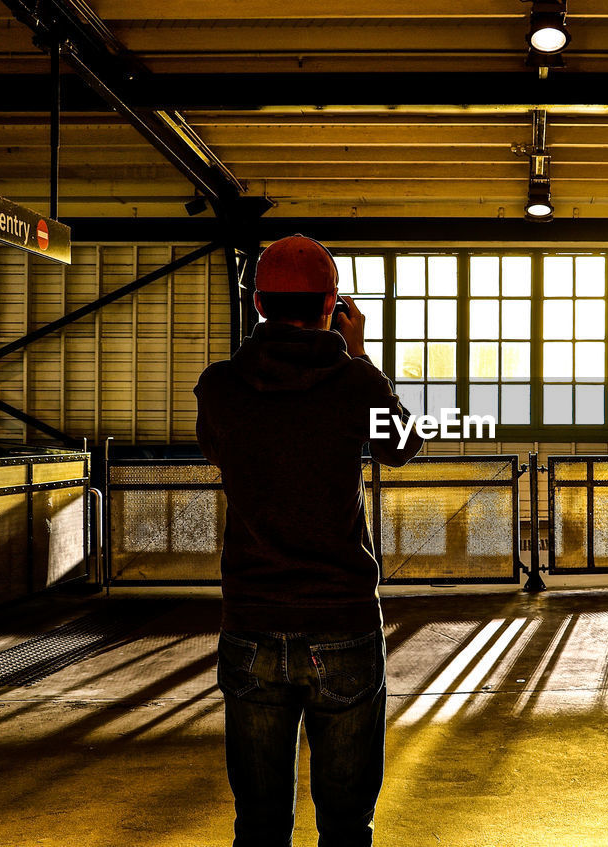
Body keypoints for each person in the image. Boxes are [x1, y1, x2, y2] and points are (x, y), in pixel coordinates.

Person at [195, 235, 423, 847]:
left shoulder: (220, 387)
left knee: (261, 825)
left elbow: (218, 448)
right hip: (341, 620)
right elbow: (403, 445)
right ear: (333, 303)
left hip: (251, 621)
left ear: (259, 303)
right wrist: (359, 352)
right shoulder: (356, 386)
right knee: (347, 825)